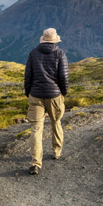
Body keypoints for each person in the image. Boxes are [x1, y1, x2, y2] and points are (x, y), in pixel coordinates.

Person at [24, 28, 69, 175]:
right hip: (54, 95)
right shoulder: (60, 53)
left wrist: (28, 92)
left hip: (36, 95)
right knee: (56, 122)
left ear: (43, 40)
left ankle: (36, 163)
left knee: (36, 128)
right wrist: (63, 93)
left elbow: (28, 76)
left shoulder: (33, 53)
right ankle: (56, 152)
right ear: (55, 40)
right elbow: (63, 77)